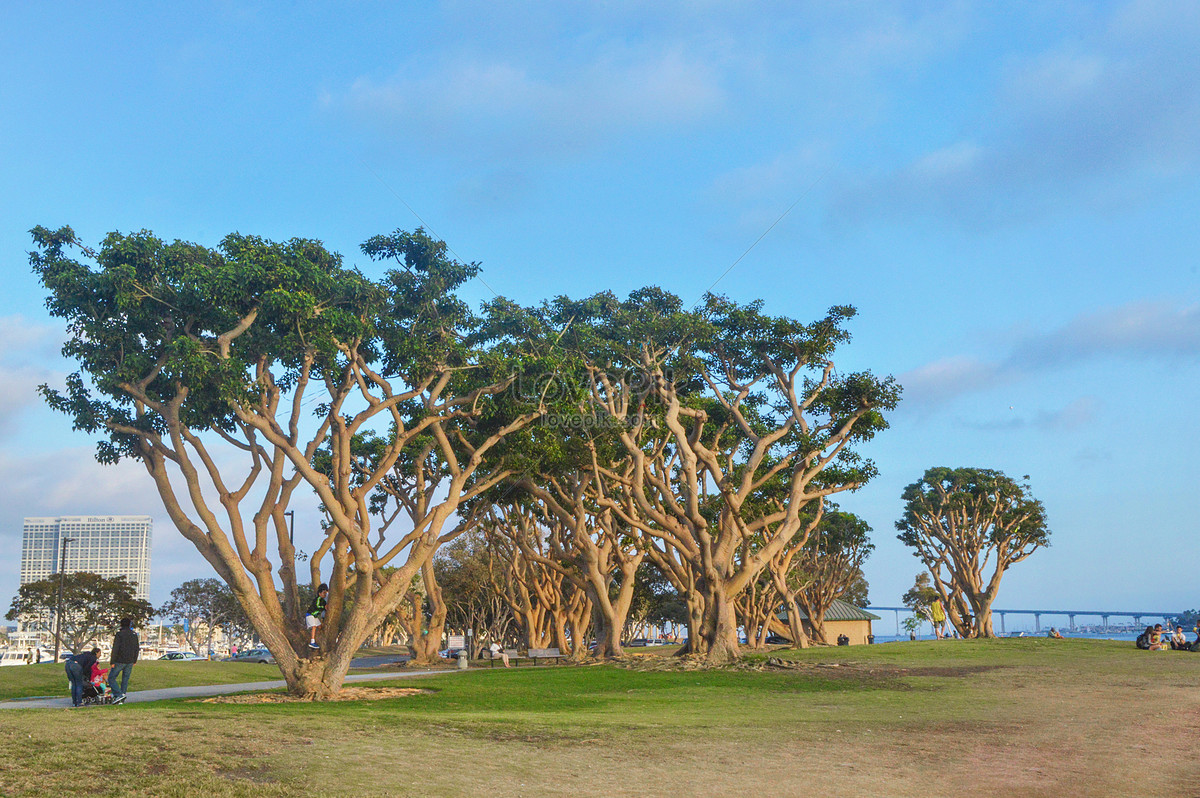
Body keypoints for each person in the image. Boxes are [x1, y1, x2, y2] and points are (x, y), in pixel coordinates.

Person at [108, 616, 140, 704]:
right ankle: (122, 697)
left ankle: (119, 695)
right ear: (130, 624)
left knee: (111, 678)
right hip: (130, 661)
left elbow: (116, 648)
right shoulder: (134, 634)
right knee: (125, 680)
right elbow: (137, 648)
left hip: (119, 660)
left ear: (121, 624)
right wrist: (135, 660)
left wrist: (112, 661)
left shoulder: (119, 634)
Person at [306, 583, 329, 649]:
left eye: (326, 593)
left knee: (320, 627)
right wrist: (324, 607)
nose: (325, 594)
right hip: (310, 615)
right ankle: (312, 642)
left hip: (315, 617)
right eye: (323, 593)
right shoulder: (318, 599)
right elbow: (318, 606)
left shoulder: (323, 601)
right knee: (314, 626)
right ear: (319, 593)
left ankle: (319, 638)